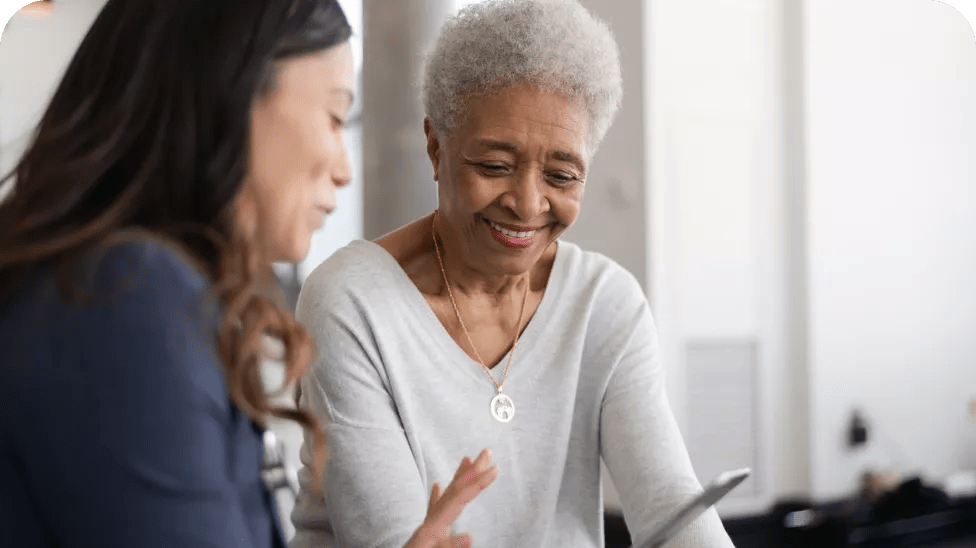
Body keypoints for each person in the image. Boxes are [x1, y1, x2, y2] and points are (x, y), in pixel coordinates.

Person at [0, 1, 497, 547]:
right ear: (232, 95)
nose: (343, 167)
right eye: (334, 116)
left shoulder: (116, 287)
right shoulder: (127, 297)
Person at [290, 1, 738, 547]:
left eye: (561, 175)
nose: (528, 204)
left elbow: (670, 507)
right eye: (494, 166)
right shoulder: (353, 301)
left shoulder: (604, 303)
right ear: (436, 147)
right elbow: (396, 538)